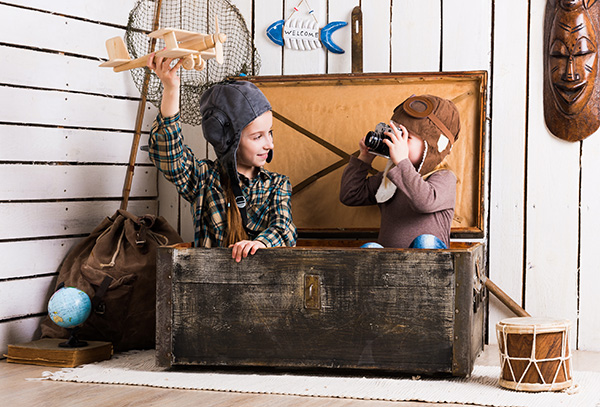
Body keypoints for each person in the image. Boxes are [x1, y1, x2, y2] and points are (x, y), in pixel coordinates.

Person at [146, 53, 297, 262]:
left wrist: (260, 243)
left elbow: (284, 229)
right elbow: (169, 154)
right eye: (257, 136)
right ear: (230, 142)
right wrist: (171, 88)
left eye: (269, 132)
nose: (269, 144)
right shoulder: (204, 179)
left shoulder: (277, 184)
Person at [339, 95, 460, 249]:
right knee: (370, 247)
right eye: (396, 135)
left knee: (425, 241)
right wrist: (364, 159)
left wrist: (402, 161)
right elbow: (350, 195)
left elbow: (424, 203)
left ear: (430, 147)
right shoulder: (390, 179)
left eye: (406, 137)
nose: (397, 142)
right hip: (392, 267)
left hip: (432, 266)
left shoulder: (444, 177)